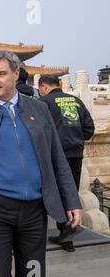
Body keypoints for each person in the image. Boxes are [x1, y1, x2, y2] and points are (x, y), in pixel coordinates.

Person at [0, 51, 82, 277]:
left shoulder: (40, 109)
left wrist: (71, 200)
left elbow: (57, 158)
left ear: (16, 73)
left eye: (1, 74)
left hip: (35, 210)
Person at [39, 74, 95, 252]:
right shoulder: (76, 101)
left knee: (57, 192)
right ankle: (68, 234)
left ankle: (66, 232)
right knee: (71, 191)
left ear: (43, 87)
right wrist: (77, 139)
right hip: (76, 154)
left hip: (56, 155)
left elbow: (39, 130)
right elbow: (89, 128)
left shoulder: (45, 102)